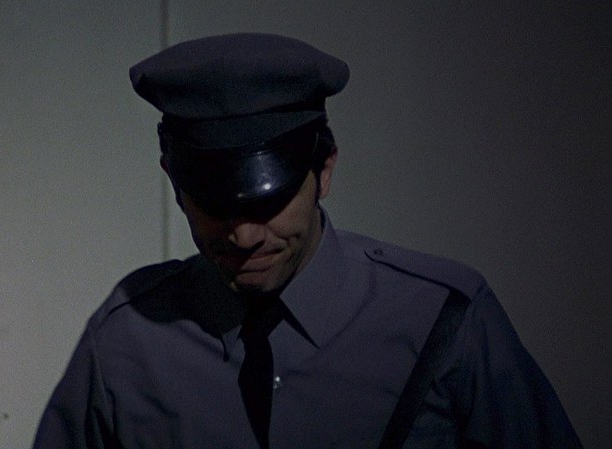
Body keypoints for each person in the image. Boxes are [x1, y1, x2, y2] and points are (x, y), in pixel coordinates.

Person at [33, 33, 582, 449]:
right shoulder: (127, 338)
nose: (244, 235)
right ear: (173, 183)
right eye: (215, 204)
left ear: (324, 171)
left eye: (267, 200)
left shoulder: (443, 318)